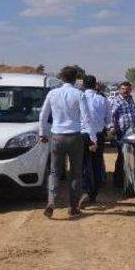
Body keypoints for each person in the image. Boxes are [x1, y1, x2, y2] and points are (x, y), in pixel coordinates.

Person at [39, 66, 96, 218]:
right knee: (76, 174)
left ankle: (51, 202)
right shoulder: (79, 94)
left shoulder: (52, 93)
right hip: (75, 137)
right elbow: (86, 118)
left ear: (61, 77)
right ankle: (73, 207)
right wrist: (93, 139)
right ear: (75, 78)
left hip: (56, 136)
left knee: (54, 172)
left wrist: (41, 133)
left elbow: (43, 115)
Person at [81, 75, 111, 203]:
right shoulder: (103, 100)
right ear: (95, 85)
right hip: (98, 135)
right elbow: (108, 120)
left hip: (82, 135)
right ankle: (94, 192)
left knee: (84, 163)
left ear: (83, 85)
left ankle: (86, 189)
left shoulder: (79, 98)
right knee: (97, 164)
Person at [110, 81, 135, 189]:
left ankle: (128, 180)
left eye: (127, 89)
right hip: (121, 133)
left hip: (132, 132)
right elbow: (111, 115)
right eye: (123, 89)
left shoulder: (131, 99)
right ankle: (118, 181)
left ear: (130, 90)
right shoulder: (116, 101)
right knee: (122, 156)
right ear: (120, 90)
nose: (125, 91)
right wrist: (113, 128)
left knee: (130, 156)